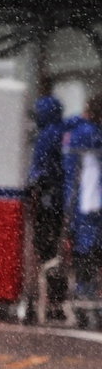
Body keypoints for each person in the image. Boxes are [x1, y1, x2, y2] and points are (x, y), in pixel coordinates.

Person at [27, 95, 69, 323]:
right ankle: (57, 302)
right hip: (63, 203)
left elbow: (39, 171)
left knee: (46, 251)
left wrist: (33, 187)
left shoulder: (46, 136)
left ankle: (46, 301)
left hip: (47, 204)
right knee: (58, 253)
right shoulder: (65, 131)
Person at [65, 96, 102, 326]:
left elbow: (71, 177)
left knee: (84, 255)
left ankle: (84, 299)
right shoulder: (92, 135)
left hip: (85, 207)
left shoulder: (79, 133)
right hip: (92, 206)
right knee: (91, 255)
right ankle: (88, 301)